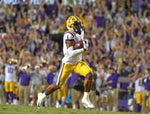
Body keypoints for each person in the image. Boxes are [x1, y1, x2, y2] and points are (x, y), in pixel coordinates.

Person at [37, 16, 94, 109]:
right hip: (67, 63)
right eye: (76, 24)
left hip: (77, 62)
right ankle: (42, 95)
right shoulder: (69, 34)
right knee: (58, 85)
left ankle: (85, 98)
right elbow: (71, 53)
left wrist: (84, 44)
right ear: (70, 26)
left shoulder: (81, 32)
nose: (79, 26)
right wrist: (83, 49)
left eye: (78, 23)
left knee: (89, 74)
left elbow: (78, 45)